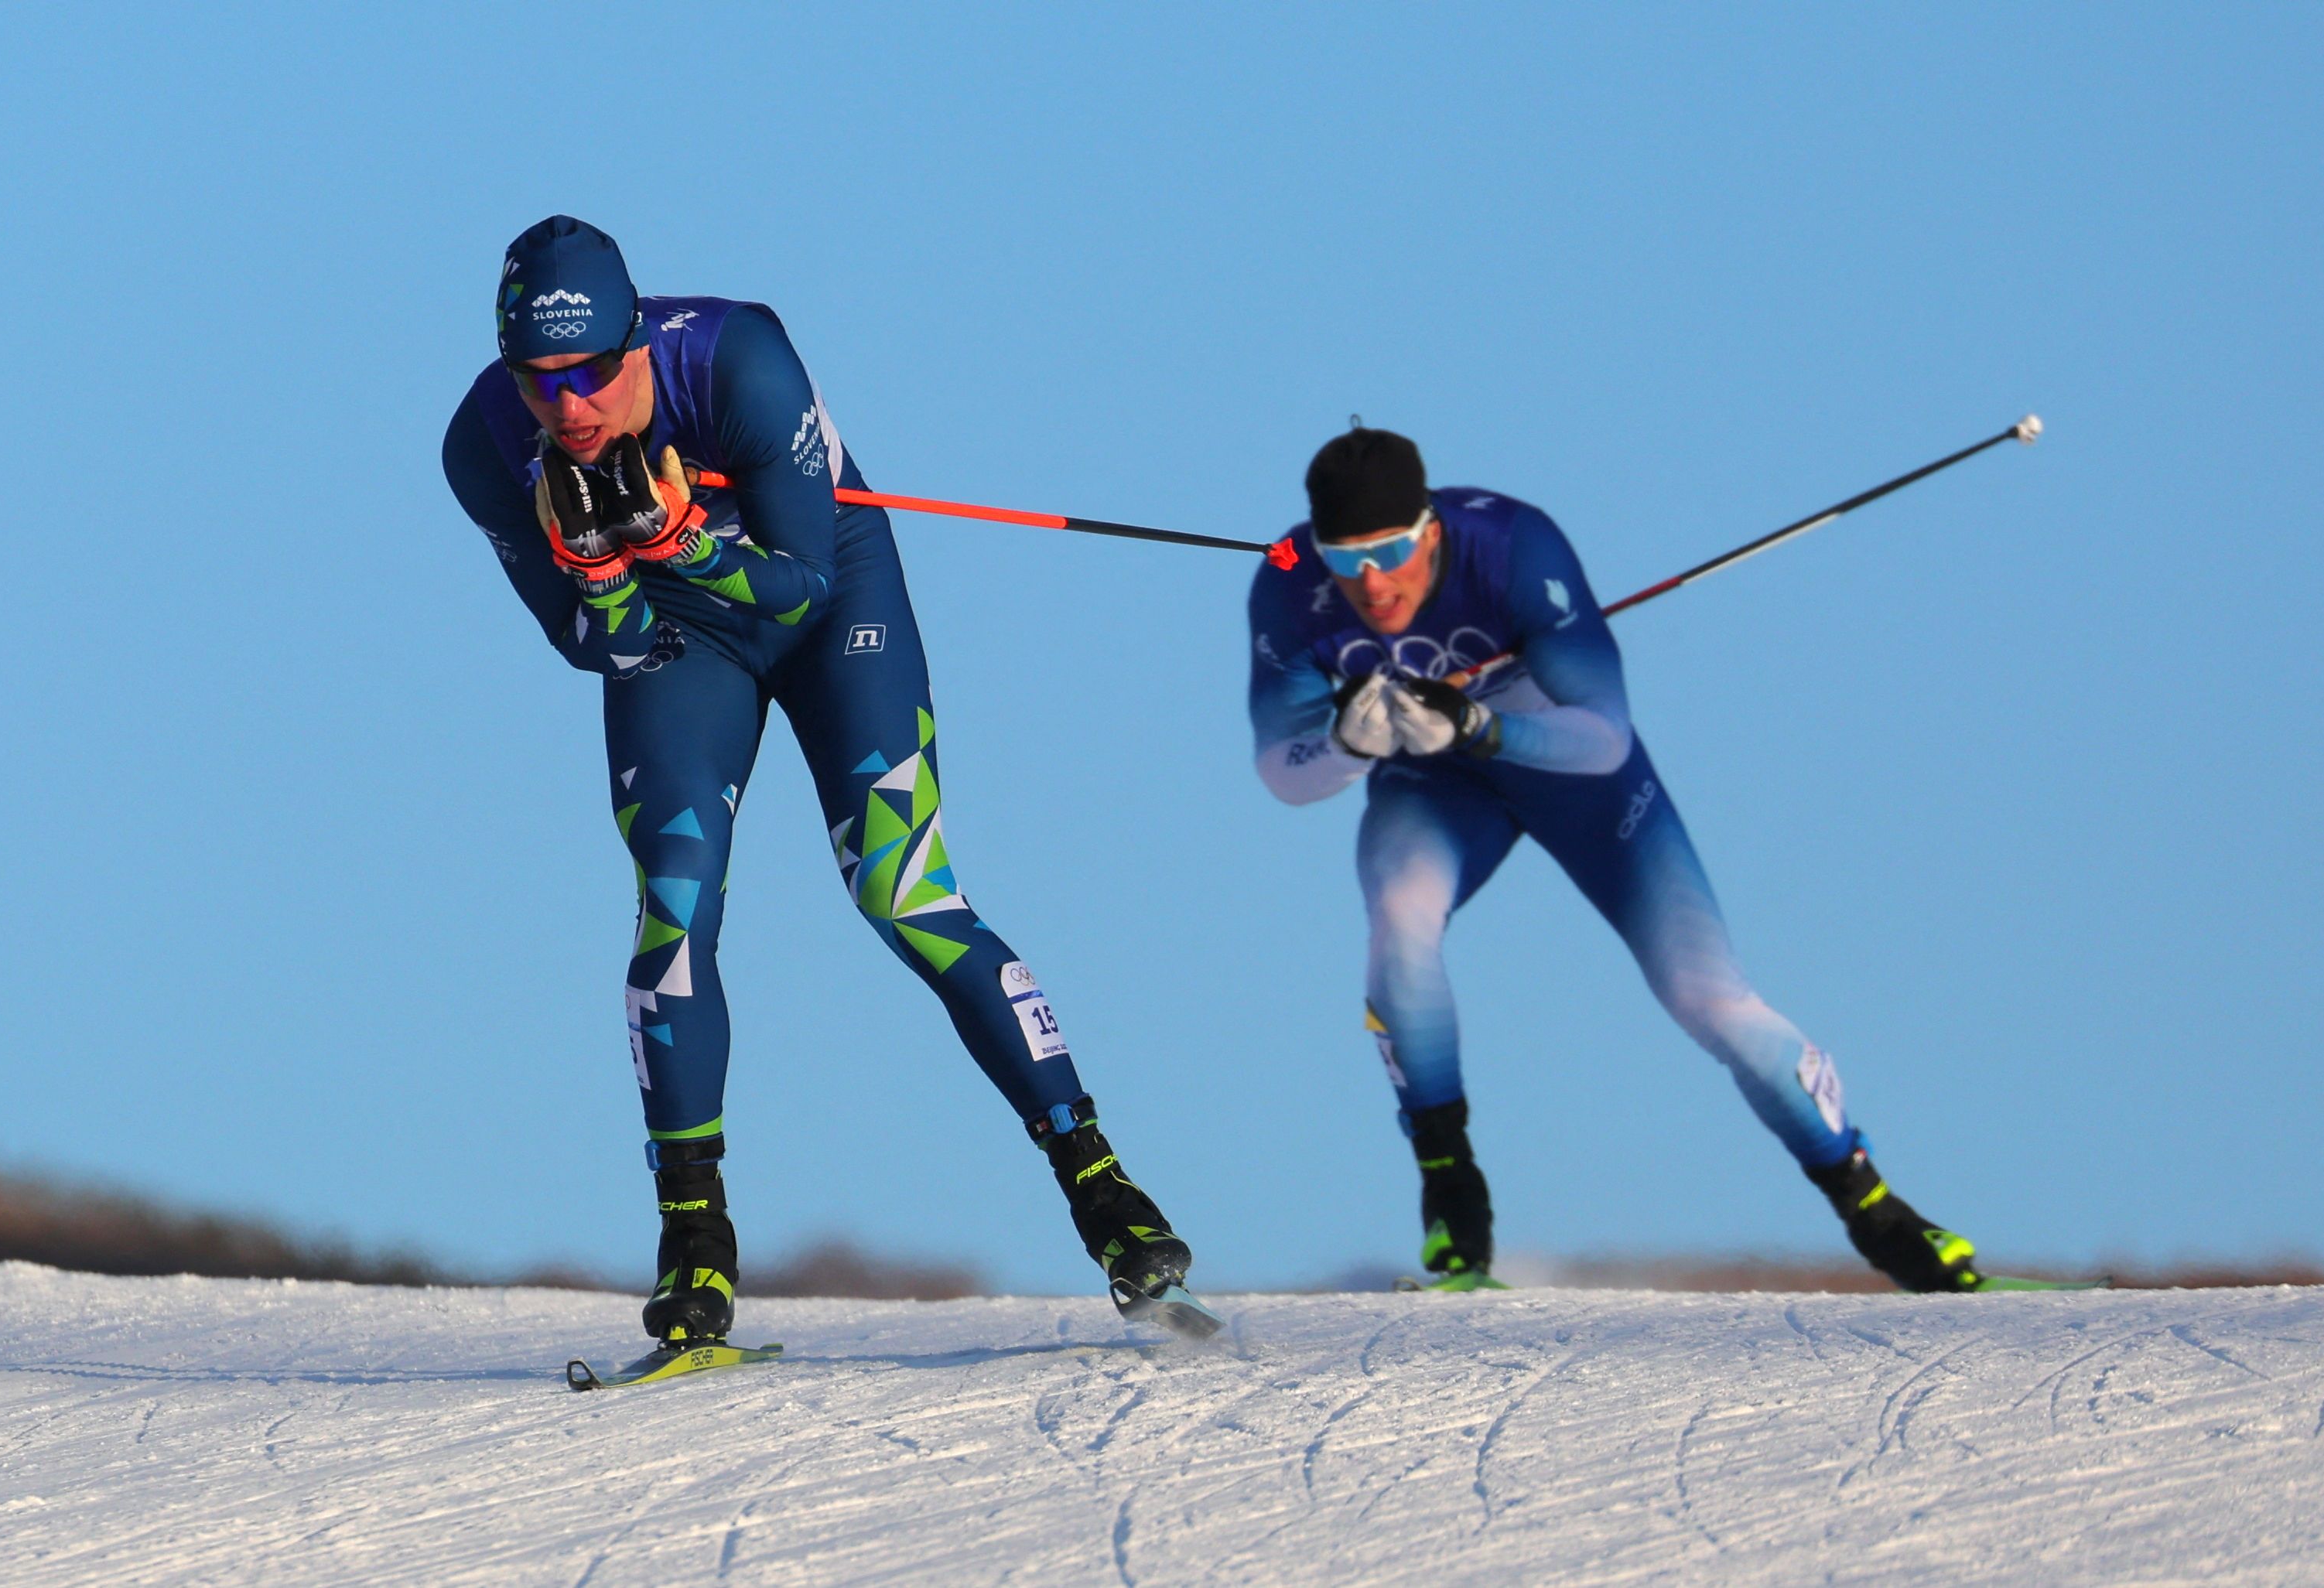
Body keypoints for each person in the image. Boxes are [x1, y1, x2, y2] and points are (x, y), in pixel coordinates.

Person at [443, 217, 1212, 1344]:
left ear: (638, 339)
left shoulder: (738, 359)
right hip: (680, 637)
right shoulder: (482, 445)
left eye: (593, 370)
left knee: (904, 892)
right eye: (539, 380)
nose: (567, 406)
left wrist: (679, 541)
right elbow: (588, 646)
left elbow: (799, 586)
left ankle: (1106, 1192)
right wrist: (601, 571)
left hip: (826, 603)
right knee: (673, 908)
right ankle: (694, 1247)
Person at [1247, 425, 1988, 1293]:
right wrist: (1342, 742)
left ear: (1433, 530)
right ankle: (1453, 1195)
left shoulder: (1515, 547)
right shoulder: (1291, 584)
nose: (1372, 582)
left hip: (1571, 777)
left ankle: (1875, 1210)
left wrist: (1483, 726)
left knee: (1707, 995)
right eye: (1346, 557)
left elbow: (1602, 736)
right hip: (1432, 790)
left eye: (1396, 550)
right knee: (1399, 927)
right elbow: (1281, 771)